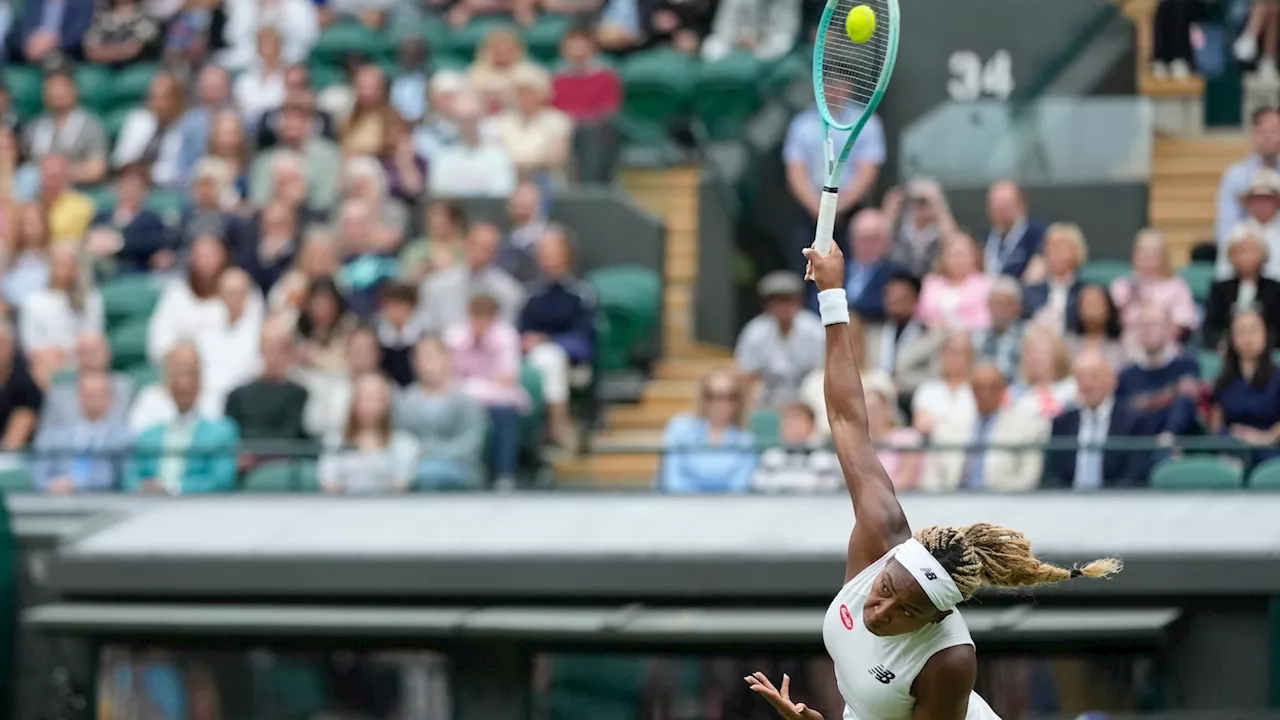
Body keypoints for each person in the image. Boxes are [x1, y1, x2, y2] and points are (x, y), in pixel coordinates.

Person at [745, 239, 1120, 720]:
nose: (878, 611)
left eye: (904, 611)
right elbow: (845, 419)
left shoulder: (950, 660)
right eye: (885, 588)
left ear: (939, 617)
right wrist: (833, 294)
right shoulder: (879, 534)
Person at [1209, 308, 1280, 466]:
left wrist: (1265, 438)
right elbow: (1216, 423)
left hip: (1270, 450)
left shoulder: (1277, 377)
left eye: (1253, 331)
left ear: (1266, 335)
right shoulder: (1223, 380)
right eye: (1241, 331)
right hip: (1232, 450)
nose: (1247, 338)